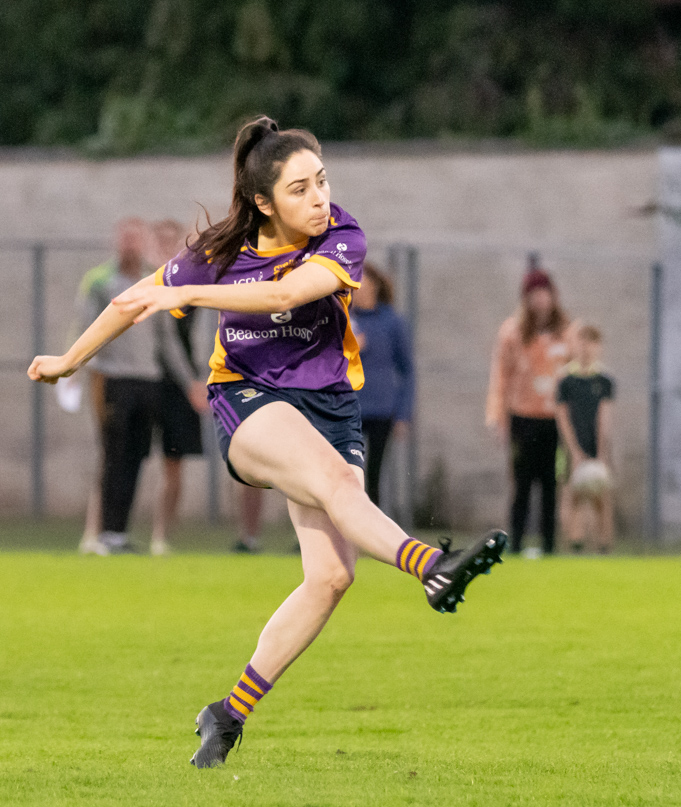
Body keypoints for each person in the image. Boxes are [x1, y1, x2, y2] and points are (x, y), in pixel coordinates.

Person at [28, 116, 506, 768]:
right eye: (301, 188)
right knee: (337, 486)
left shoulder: (340, 235)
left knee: (332, 575)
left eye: (322, 181)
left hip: (331, 406)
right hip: (250, 399)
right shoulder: (220, 249)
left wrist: (191, 290)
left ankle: (226, 715)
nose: (318, 198)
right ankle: (432, 566)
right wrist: (69, 359)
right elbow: (129, 303)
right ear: (262, 201)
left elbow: (286, 290)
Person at [74, 217, 161, 554]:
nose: (130, 244)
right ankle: (103, 532)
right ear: (117, 241)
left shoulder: (154, 279)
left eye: (136, 238)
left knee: (137, 456)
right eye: (125, 238)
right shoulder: (100, 281)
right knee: (113, 456)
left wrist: (189, 380)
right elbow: (88, 330)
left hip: (148, 379)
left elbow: (164, 337)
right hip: (113, 380)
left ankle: (119, 533)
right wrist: (88, 370)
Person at [486, 256, 573, 557]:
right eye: (534, 294)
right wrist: (498, 417)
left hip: (554, 419)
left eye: (544, 293)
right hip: (522, 416)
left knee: (551, 484)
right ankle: (517, 542)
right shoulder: (513, 332)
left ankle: (550, 546)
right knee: (522, 484)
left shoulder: (566, 331)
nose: (540, 300)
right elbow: (501, 377)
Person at [149, 218, 210, 556]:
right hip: (145, 381)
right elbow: (165, 342)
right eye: (161, 243)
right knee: (117, 460)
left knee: (174, 465)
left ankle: (160, 537)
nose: (167, 250)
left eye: (174, 243)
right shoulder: (144, 283)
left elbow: (198, 339)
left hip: (183, 388)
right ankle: (99, 534)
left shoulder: (196, 289)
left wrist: (196, 383)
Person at [350, 261, 415, 508]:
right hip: (349, 408)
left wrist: (403, 413)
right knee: (348, 472)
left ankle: (373, 532)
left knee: (373, 475)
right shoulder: (343, 321)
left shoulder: (392, 322)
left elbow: (407, 370)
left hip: (381, 409)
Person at [556, 325, 615, 553]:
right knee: (572, 494)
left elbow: (605, 417)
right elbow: (563, 417)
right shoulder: (565, 381)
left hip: (597, 446)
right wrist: (574, 451)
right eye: (581, 341)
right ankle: (574, 543)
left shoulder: (605, 381)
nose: (586, 348)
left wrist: (601, 452)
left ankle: (604, 545)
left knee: (601, 493)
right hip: (572, 447)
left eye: (592, 342)